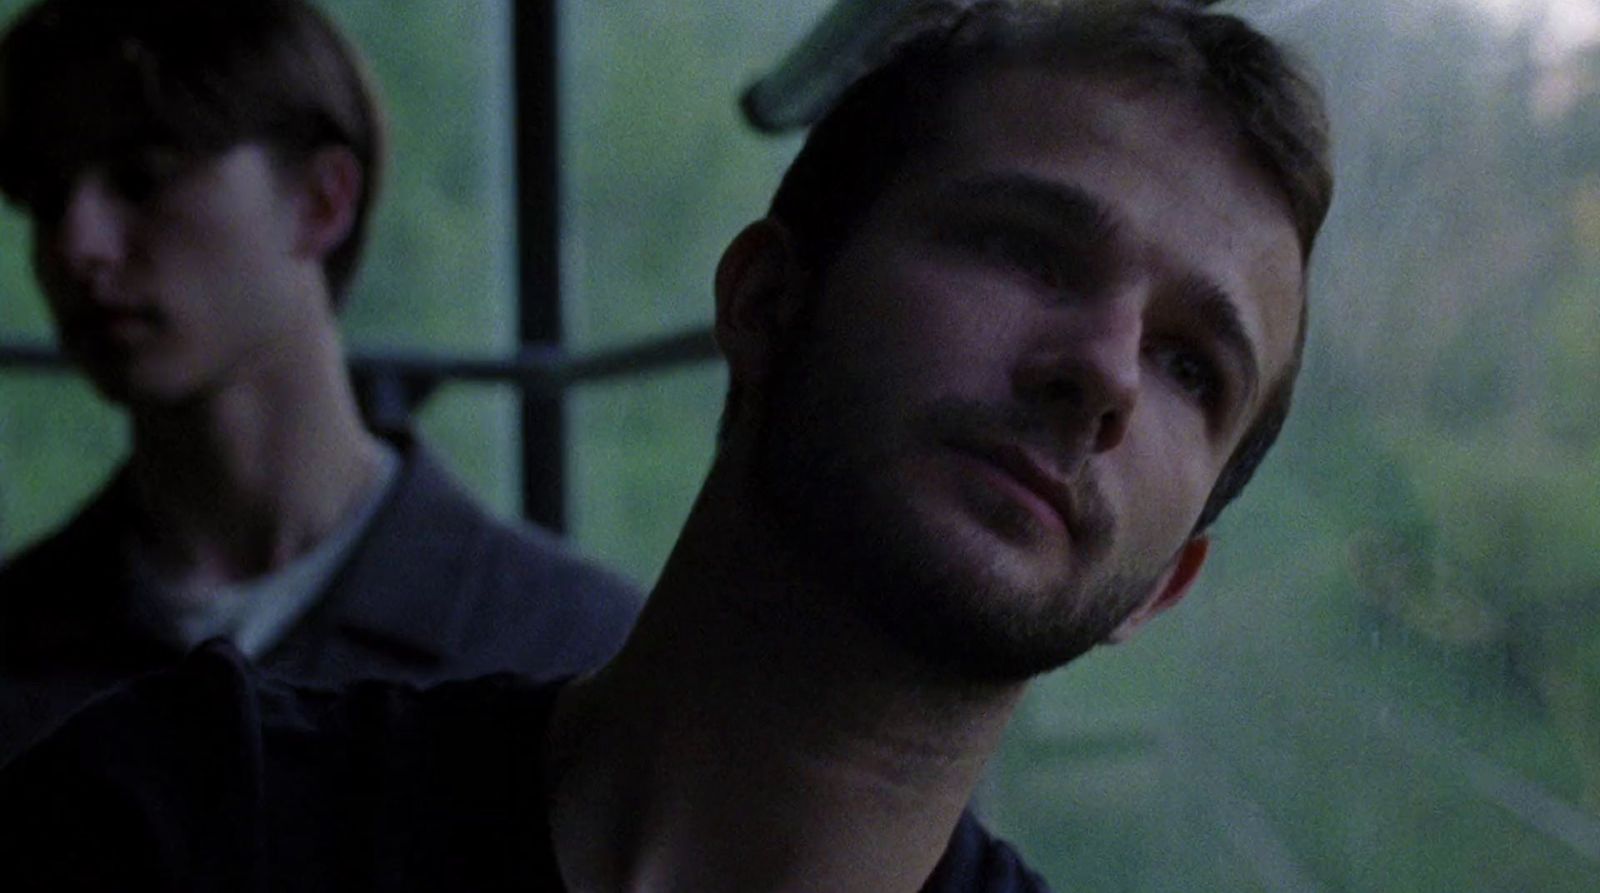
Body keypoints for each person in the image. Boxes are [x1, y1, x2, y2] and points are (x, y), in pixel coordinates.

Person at [0, 1, 1333, 890]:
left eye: (1190, 367)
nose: (1101, 369)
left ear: (1167, 582)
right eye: (1026, 246)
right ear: (764, 301)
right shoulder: (186, 813)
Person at [0, 0, 641, 766]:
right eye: (44, 201)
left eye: (142, 180)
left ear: (321, 200)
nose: (77, 247)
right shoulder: (16, 643)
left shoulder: (575, 648)